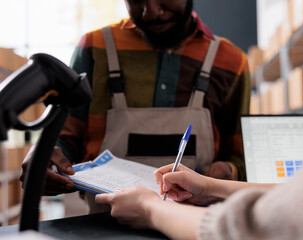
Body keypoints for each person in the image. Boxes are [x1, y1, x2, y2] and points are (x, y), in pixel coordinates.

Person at [94, 0, 303, 239]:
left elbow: (260, 229)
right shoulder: (94, 48)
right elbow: (301, 197)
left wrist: (149, 207)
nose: (151, 10)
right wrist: (210, 186)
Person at [20, 0, 251, 211]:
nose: (150, 12)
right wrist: (46, 158)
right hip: (103, 226)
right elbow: (67, 139)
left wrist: (229, 171)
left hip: (196, 224)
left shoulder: (231, 61)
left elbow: (240, 156)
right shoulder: (94, 49)